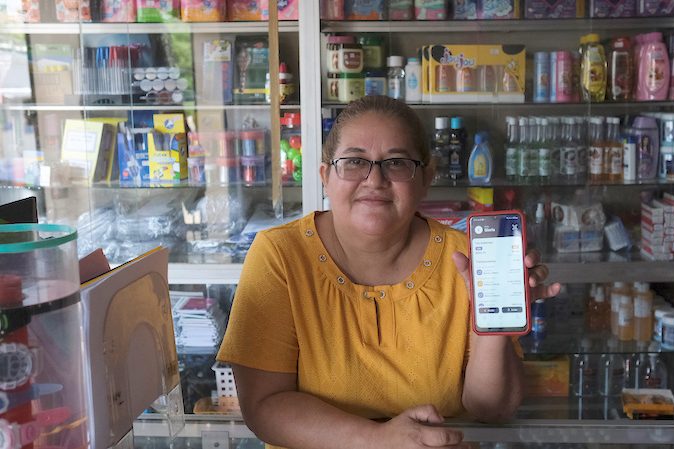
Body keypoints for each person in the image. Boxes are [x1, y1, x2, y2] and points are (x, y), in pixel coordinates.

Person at [217, 96, 560, 449]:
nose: (374, 179)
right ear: (325, 176)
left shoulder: (465, 258)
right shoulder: (280, 255)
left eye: (396, 163)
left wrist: (493, 326)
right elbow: (264, 407)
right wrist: (379, 440)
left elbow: (492, 408)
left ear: (427, 176)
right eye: (354, 162)